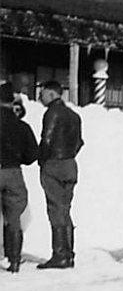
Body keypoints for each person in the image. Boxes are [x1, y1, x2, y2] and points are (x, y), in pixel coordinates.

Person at [37, 80, 84, 269]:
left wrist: (42, 159)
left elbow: (47, 139)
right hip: (70, 164)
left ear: (50, 93)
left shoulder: (51, 113)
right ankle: (69, 253)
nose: (40, 96)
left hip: (54, 163)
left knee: (55, 209)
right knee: (65, 209)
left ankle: (59, 254)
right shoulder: (74, 115)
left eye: (42, 93)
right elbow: (79, 142)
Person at [0, 82, 38, 273]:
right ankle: (14, 260)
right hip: (13, 172)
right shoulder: (22, 126)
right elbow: (32, 155)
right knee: (15, 217)